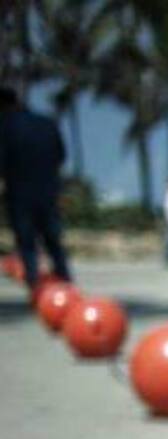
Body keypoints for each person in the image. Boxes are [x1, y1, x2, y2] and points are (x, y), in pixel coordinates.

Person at [0, 86, 72, 293]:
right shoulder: (46, 123)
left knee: (27, 241)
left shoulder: (6, 126)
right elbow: (61, 155)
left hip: (19, 192)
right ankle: (65, 280)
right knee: (53, 239)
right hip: (49, 190)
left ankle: (36, 286)